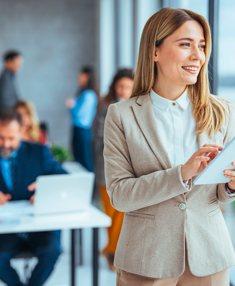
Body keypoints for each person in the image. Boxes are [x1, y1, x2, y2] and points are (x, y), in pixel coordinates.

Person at [103, 8, 235, 286]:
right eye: (185, 44)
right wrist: (182, 173)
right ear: (155, 52)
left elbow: (221, 195)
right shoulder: (122, 115)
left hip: (210, 257)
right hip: (146, 259)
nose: (198, 56)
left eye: (201, 46)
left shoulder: (223, 112)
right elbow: (120, 195)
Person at [0, 110, 67, 286]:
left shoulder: (39, 153)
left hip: (40, 226)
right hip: (4, 229)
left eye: (11, 138)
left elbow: (65, 180)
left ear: (21, 132)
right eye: (1, 137)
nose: (6, 144)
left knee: (52, 251)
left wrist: (45, 190)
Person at [92, 68, 134, 271]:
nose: (124, 91)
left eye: (128, 87)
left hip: (128, 171)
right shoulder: (105, 106)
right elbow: (99, 138)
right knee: (111, 213)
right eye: (121, 86)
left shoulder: (136, 106)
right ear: (114, 87)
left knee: (123, 212)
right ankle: (112, 251)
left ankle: (111, 250)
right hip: (105, 169)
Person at [66, 66, 98, 172]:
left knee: (84, 160)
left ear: (87, 77)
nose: (79, 77)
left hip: (82, 130)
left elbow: (78, 113)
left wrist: (72, 104)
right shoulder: (83, 93)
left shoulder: (89, 94)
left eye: (81, 75)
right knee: (78, 159)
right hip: (78, 129)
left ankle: (91, 186)